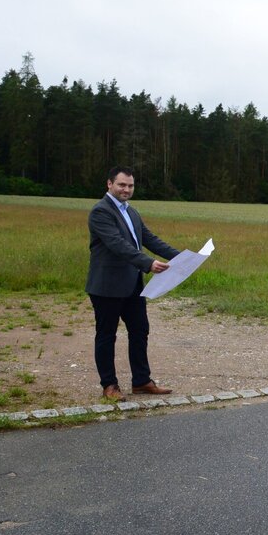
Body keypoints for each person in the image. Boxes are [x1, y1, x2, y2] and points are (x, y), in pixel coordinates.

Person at [86, 166, 179, 400]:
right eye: (122, 185)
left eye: (130, 185)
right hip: (107, 287)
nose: (126, 189)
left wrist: (183, 257)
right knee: (107, 336)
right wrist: (148, 263)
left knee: (140, 331)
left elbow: (149, 239)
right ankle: (109, 386)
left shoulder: (132, 212)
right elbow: (118, 245)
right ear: (109, 184)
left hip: (133, 285)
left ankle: (141, 381)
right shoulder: (100, 212)